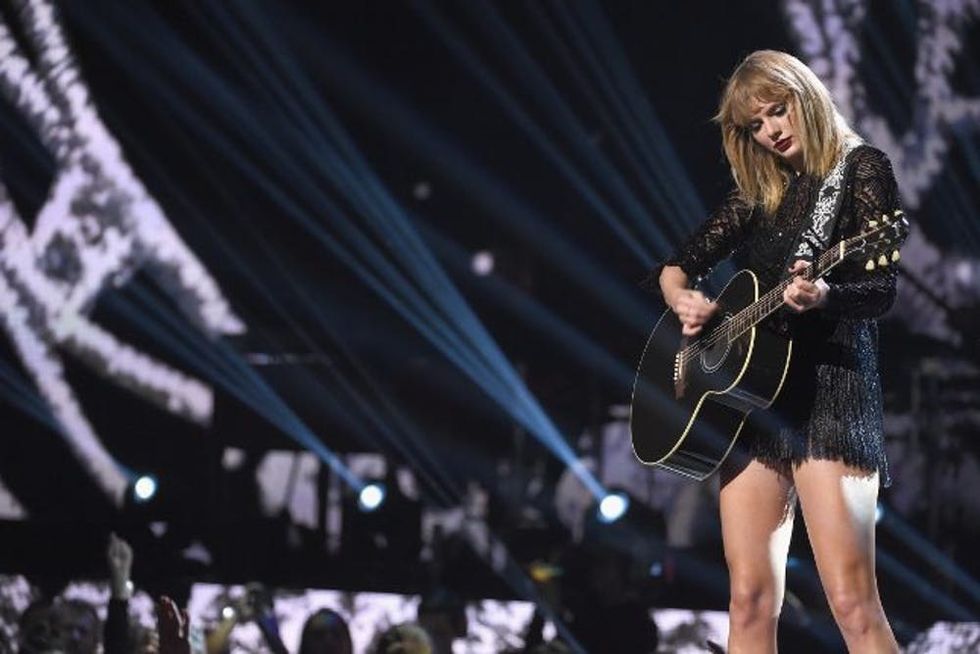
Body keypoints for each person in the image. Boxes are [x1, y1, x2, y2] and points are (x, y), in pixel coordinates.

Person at [651, 50, 903, 652]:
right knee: (748, 600)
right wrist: (684, 301)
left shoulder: (861, 167)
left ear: (804, 96)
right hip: (752, 405)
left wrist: (825, 295)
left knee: (850, 602)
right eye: (756, 125)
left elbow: (881, 291)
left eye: (777, 111)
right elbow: (675, 269)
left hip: (830, 396)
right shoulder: (758, 192)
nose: (771, 130)